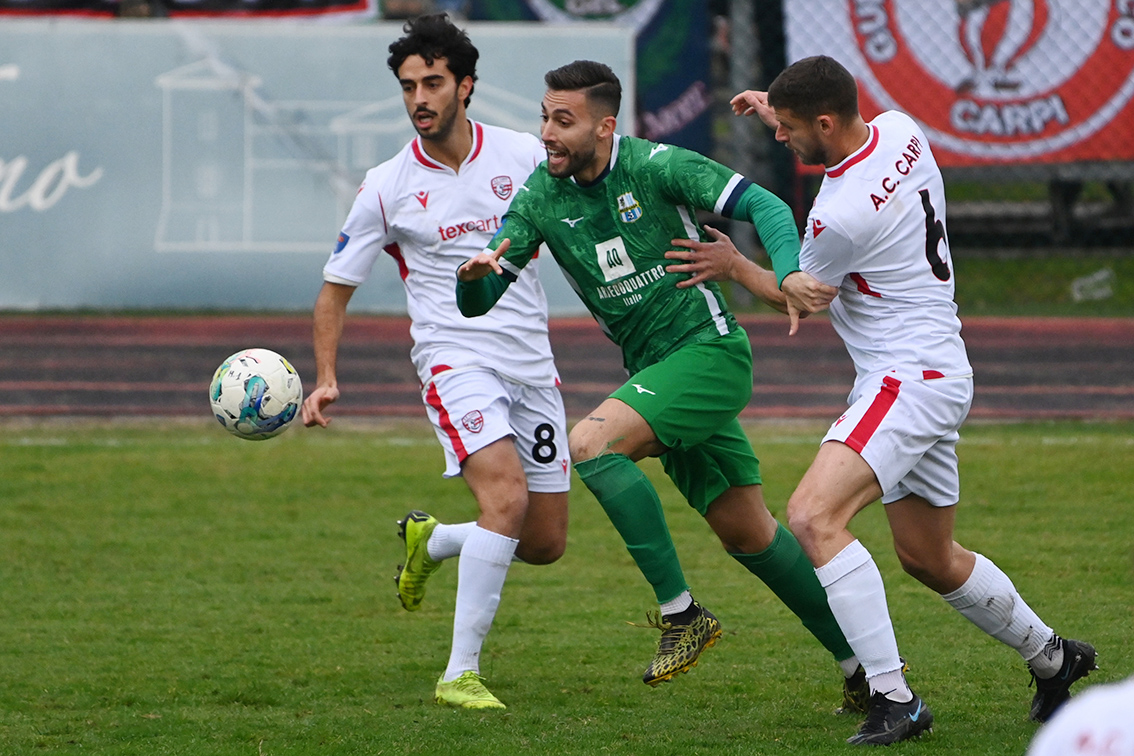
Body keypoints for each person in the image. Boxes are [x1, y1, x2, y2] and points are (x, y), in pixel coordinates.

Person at [664, 55, 1096, 744]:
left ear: (826, 122)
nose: (782, 138)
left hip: (907, 377)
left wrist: (735, 265)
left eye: (791, 129)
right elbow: (826, 123)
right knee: (929, 556)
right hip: (936, 366)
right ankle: (1053, 657)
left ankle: (896, 699)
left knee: (811, 516)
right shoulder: (901, 129)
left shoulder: (837, 216)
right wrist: (778, 105)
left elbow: (800, 297)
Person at [456, 59, 866, 704]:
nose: (548, 133)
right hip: (658, 376)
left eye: (564, 120)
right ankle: (864, 670)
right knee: (749, 533)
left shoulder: (654, 166)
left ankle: (682, 615)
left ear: (605, 126)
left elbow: (763, 202)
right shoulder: (539, 197)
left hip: (708, 353)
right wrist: (473, 274)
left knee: (590, 444)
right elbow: (480, 300)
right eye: (544, 117)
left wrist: (785, 272)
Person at [300, 14, 571, 711]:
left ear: (465, 85)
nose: (418, 97)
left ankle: (435, 540)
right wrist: (326, 377)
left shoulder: (522, 154)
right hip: (454, 360)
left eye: (432, 82)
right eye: (407, 86)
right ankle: (459, 674)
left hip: (531, 365)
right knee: (505, 500)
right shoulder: (387, 186)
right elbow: (334, 292)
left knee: (543, 542)